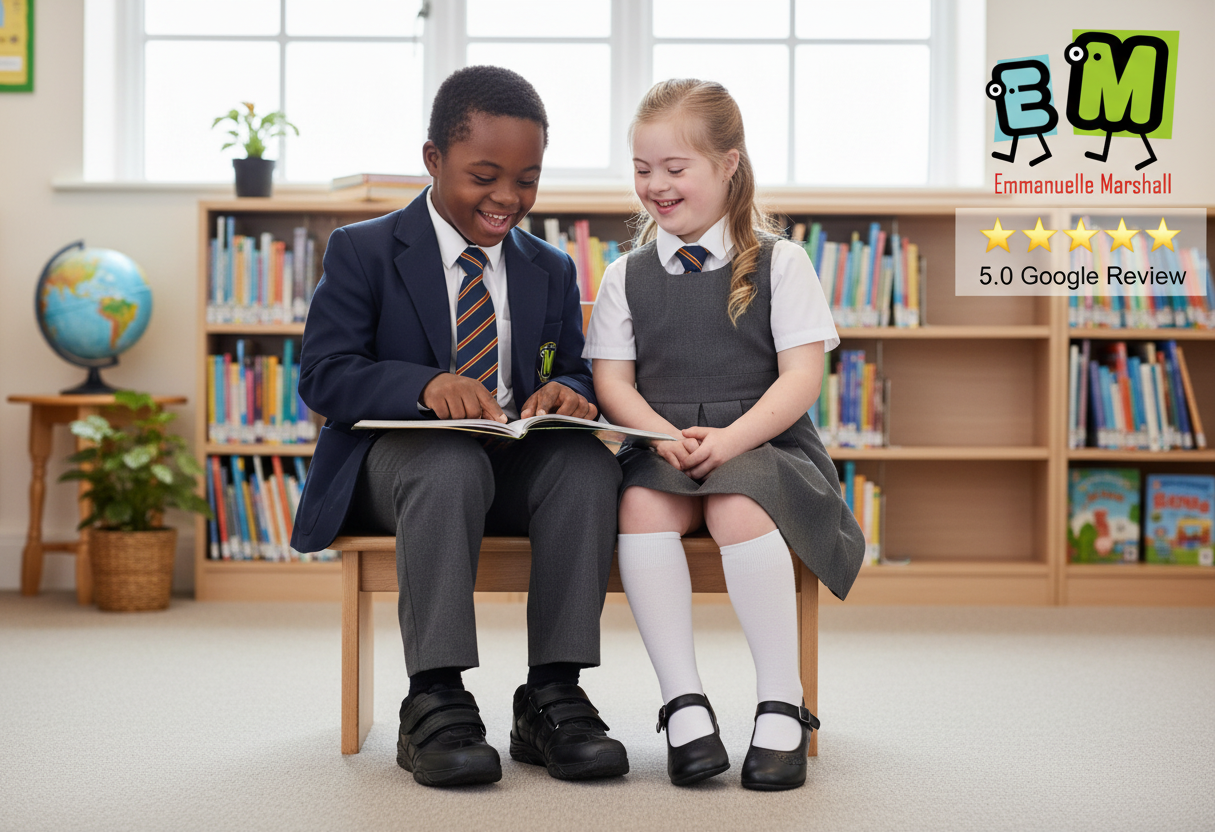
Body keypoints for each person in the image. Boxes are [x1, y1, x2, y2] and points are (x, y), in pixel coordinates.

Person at [292, 65, 628, 788]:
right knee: (447, 465)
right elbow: (323, 375)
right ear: (433, 159)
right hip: (401, 464)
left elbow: (572, 368)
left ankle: (553, 693)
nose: (507, 198)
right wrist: (423, 385)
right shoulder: (363, 249)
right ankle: (435, 696)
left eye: (527, 180)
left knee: (586, 467)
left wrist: (569, 393)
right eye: (484, 176)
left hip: (510, 458)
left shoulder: (550, 267)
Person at [584, 79, 865, 791]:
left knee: (737, 507)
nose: (656, 185)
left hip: (763, 442)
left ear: (727, 165)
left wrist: (731, 440)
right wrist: (661, 438)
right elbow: (613, 385)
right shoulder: (624, 276)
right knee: (639, 506)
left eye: (675, 168)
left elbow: (801, 379)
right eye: (642, 169)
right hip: (663, 442)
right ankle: (683, 704)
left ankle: (781, 701)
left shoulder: (782, 262)